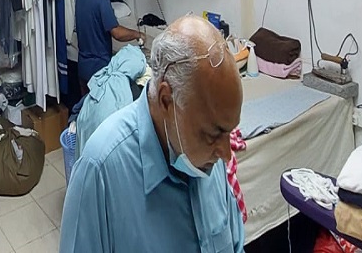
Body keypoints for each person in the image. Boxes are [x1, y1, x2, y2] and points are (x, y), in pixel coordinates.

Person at [59, 15, 245, 253]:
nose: (227, 154)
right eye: (212, 134)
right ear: (166, 100)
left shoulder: (209, 159)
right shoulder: (101, 171)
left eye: (229, 131)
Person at [74, 0, 144, 93]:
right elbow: (116, 32)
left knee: (86, 106)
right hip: (98, 70)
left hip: (82, 68)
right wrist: (138, 34)